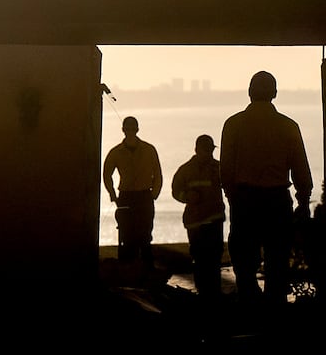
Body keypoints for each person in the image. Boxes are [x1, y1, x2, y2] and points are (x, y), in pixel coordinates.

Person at [220, 70, 313, 307]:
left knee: (244, 261)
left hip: (245, 199)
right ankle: (275, 309)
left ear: (250, 92)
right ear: (275, 93)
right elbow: (300, 166)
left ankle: (249, 305)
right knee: (277, 259)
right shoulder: (288, 126)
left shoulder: (233, 124)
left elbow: (226, 170)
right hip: (277, 200)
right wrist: (303, 201)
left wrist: (233, 197)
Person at [103, 115, 163, 277]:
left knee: (145, 234)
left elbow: (157, 173)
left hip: (144, 196)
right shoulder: (116, 152)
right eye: (127, 128)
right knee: (126, 234)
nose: (130, 131)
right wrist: (113, 194)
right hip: (126, 197)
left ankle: (147, 270)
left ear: (137, 129)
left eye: (132, 128)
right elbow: (106, 173)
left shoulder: (149, 149)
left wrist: (154, 194)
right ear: (123, 130)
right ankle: (126, 269)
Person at [171, 133, 226, 299]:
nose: (208, 153)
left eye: (210, 150)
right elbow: (175, 191)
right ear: (197, 150)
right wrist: (187, 197)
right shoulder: (185, 170)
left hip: (214, 220)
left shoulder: (219, 168)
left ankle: (214, 292)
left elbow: (231, 184)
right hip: (195, 223)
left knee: (215, 257)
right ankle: (203, 292)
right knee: (200, 258)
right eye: (205, 150)